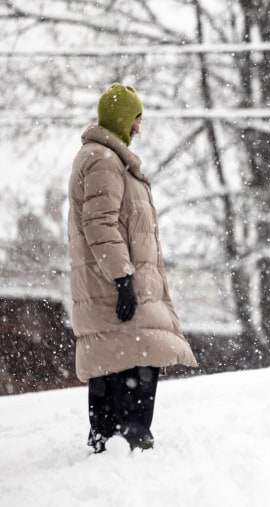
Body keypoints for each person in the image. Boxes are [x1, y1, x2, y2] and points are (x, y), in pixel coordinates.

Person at [68, 83, 197, 453]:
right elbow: (100, 224)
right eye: (136, 117)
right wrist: (123, 277)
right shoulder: (104, 160)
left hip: (108, 281)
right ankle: (131, 433)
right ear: (123, 118)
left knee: (116, 353)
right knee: (138, 353)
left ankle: (108, 436)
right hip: (112, 282)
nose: (139, 126)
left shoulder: (105, 158)